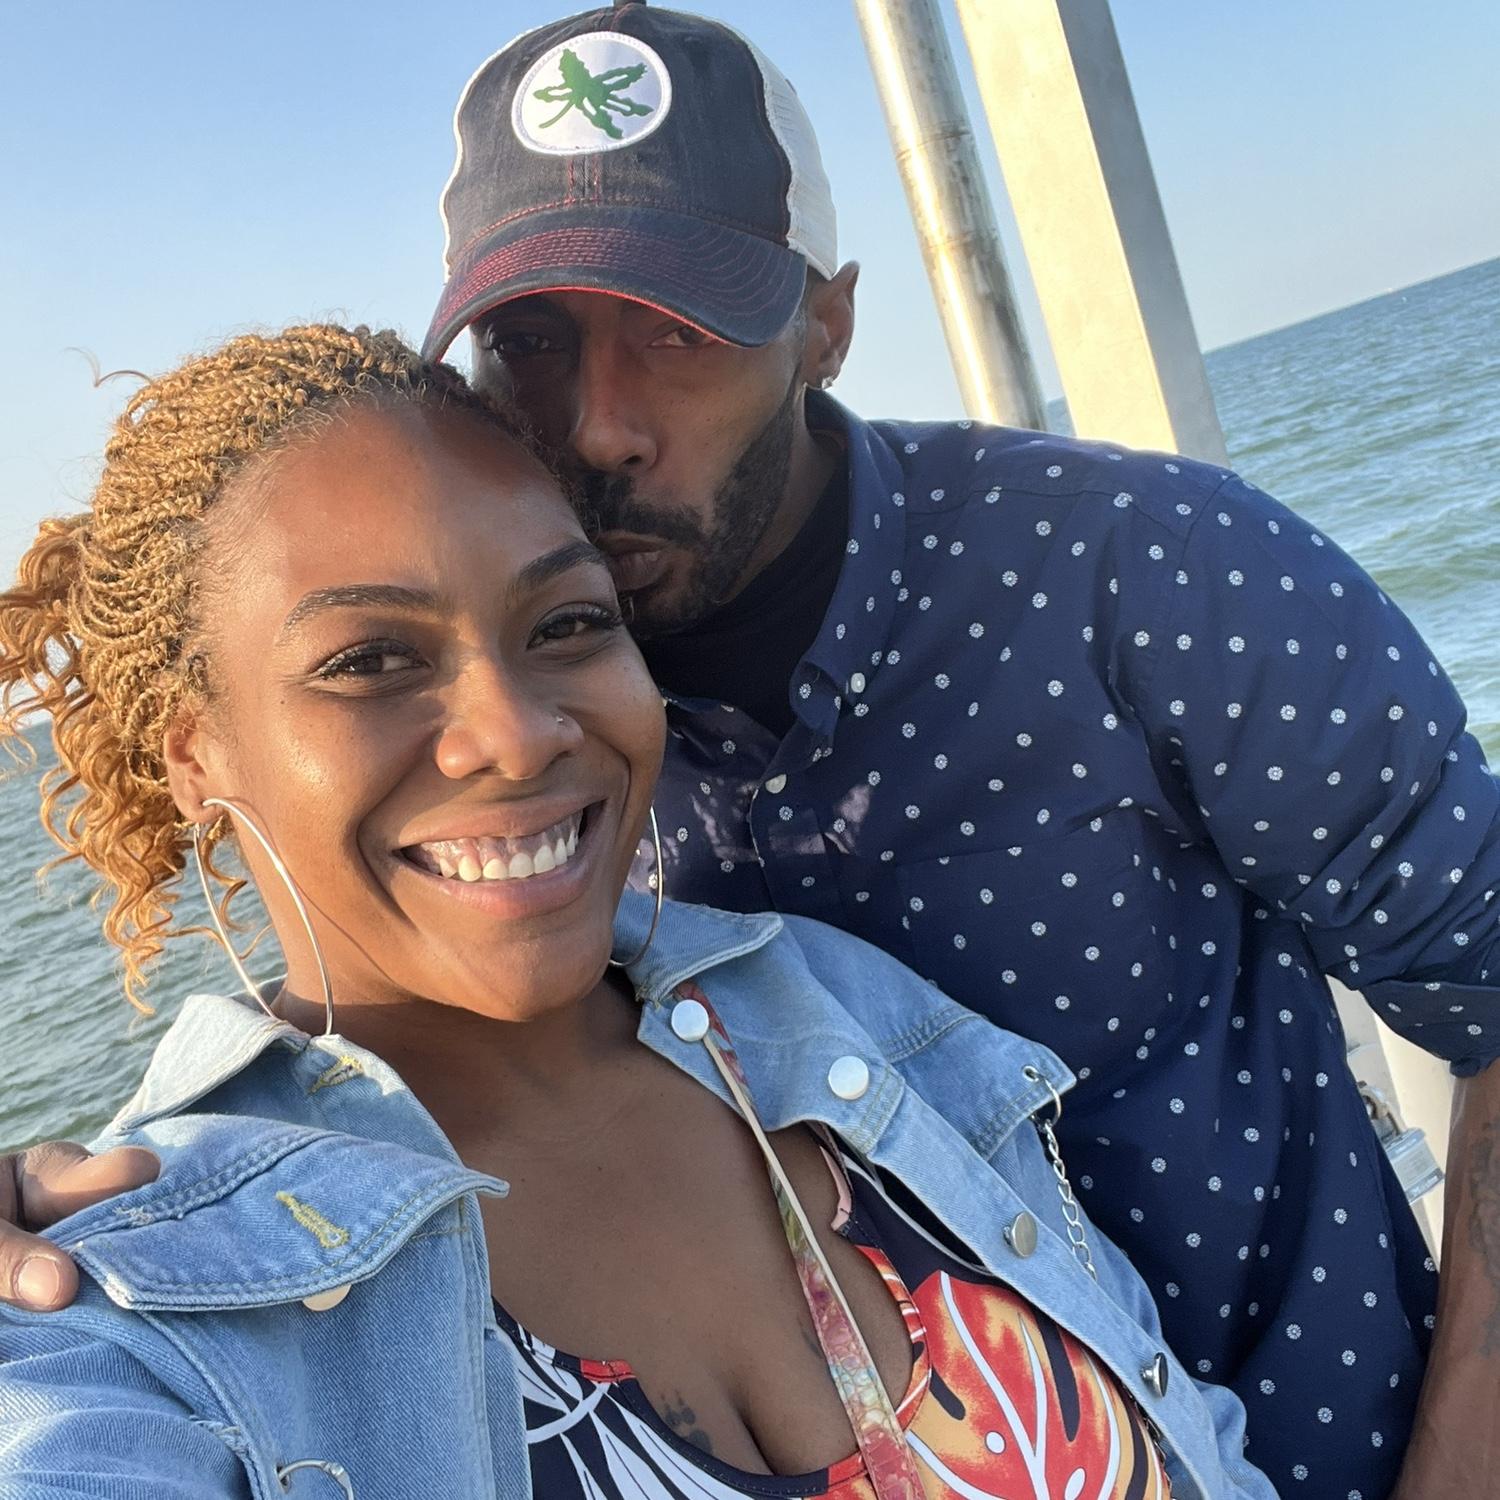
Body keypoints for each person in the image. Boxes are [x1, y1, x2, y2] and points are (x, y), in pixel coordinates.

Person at [4, 5, 1498, 1494]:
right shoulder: (555, 750)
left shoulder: (1140, 572)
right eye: (530, 340)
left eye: (681, 331)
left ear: (826, 327)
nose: (598, 426)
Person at [0, 323, 1271, 1500]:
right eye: (371, 661)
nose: (515, 734)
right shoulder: (146, 1300)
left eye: (567, 622)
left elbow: (1191, 1438)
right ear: (196, 753)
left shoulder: (837, 1009)